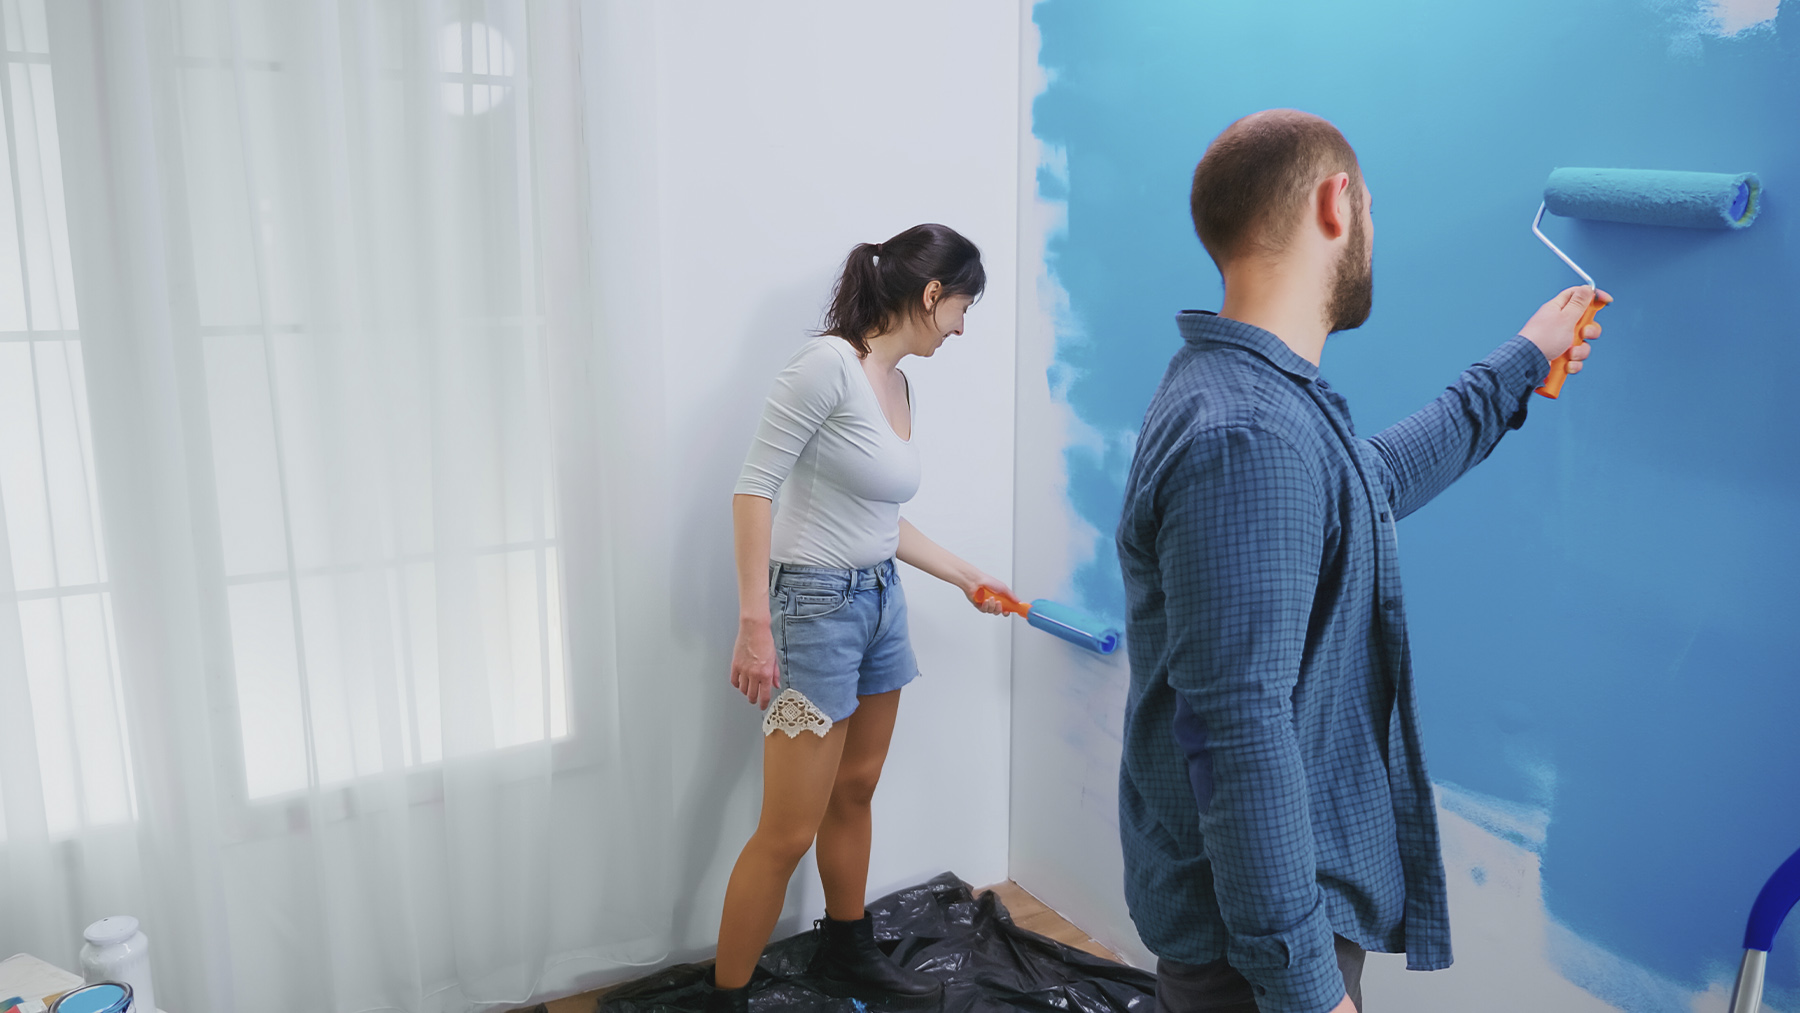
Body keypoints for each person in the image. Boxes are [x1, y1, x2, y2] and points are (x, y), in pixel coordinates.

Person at [1114, 109, 1609, 1013]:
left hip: (1257, 924)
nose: (1372, 230)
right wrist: (1309, 988)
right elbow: (1237, 731)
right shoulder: (1249, 436)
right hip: (1260, 949)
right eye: (1371, 206)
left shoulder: (1248, 397)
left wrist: (1521, 362)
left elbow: (1363, 483)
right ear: (1336, 203)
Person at [709, 223, 1012, 1011]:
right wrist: (754, 624)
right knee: (787, 829)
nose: (963, 329)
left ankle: (848, 951)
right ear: (932, 294)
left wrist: (964, 574)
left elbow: (880, 517)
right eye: (963, 309)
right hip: (812, 606)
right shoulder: (825, 367)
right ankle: (728, 997)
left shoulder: (900, 384)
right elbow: (753, 488)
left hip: (879, 601)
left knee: (859, 786)